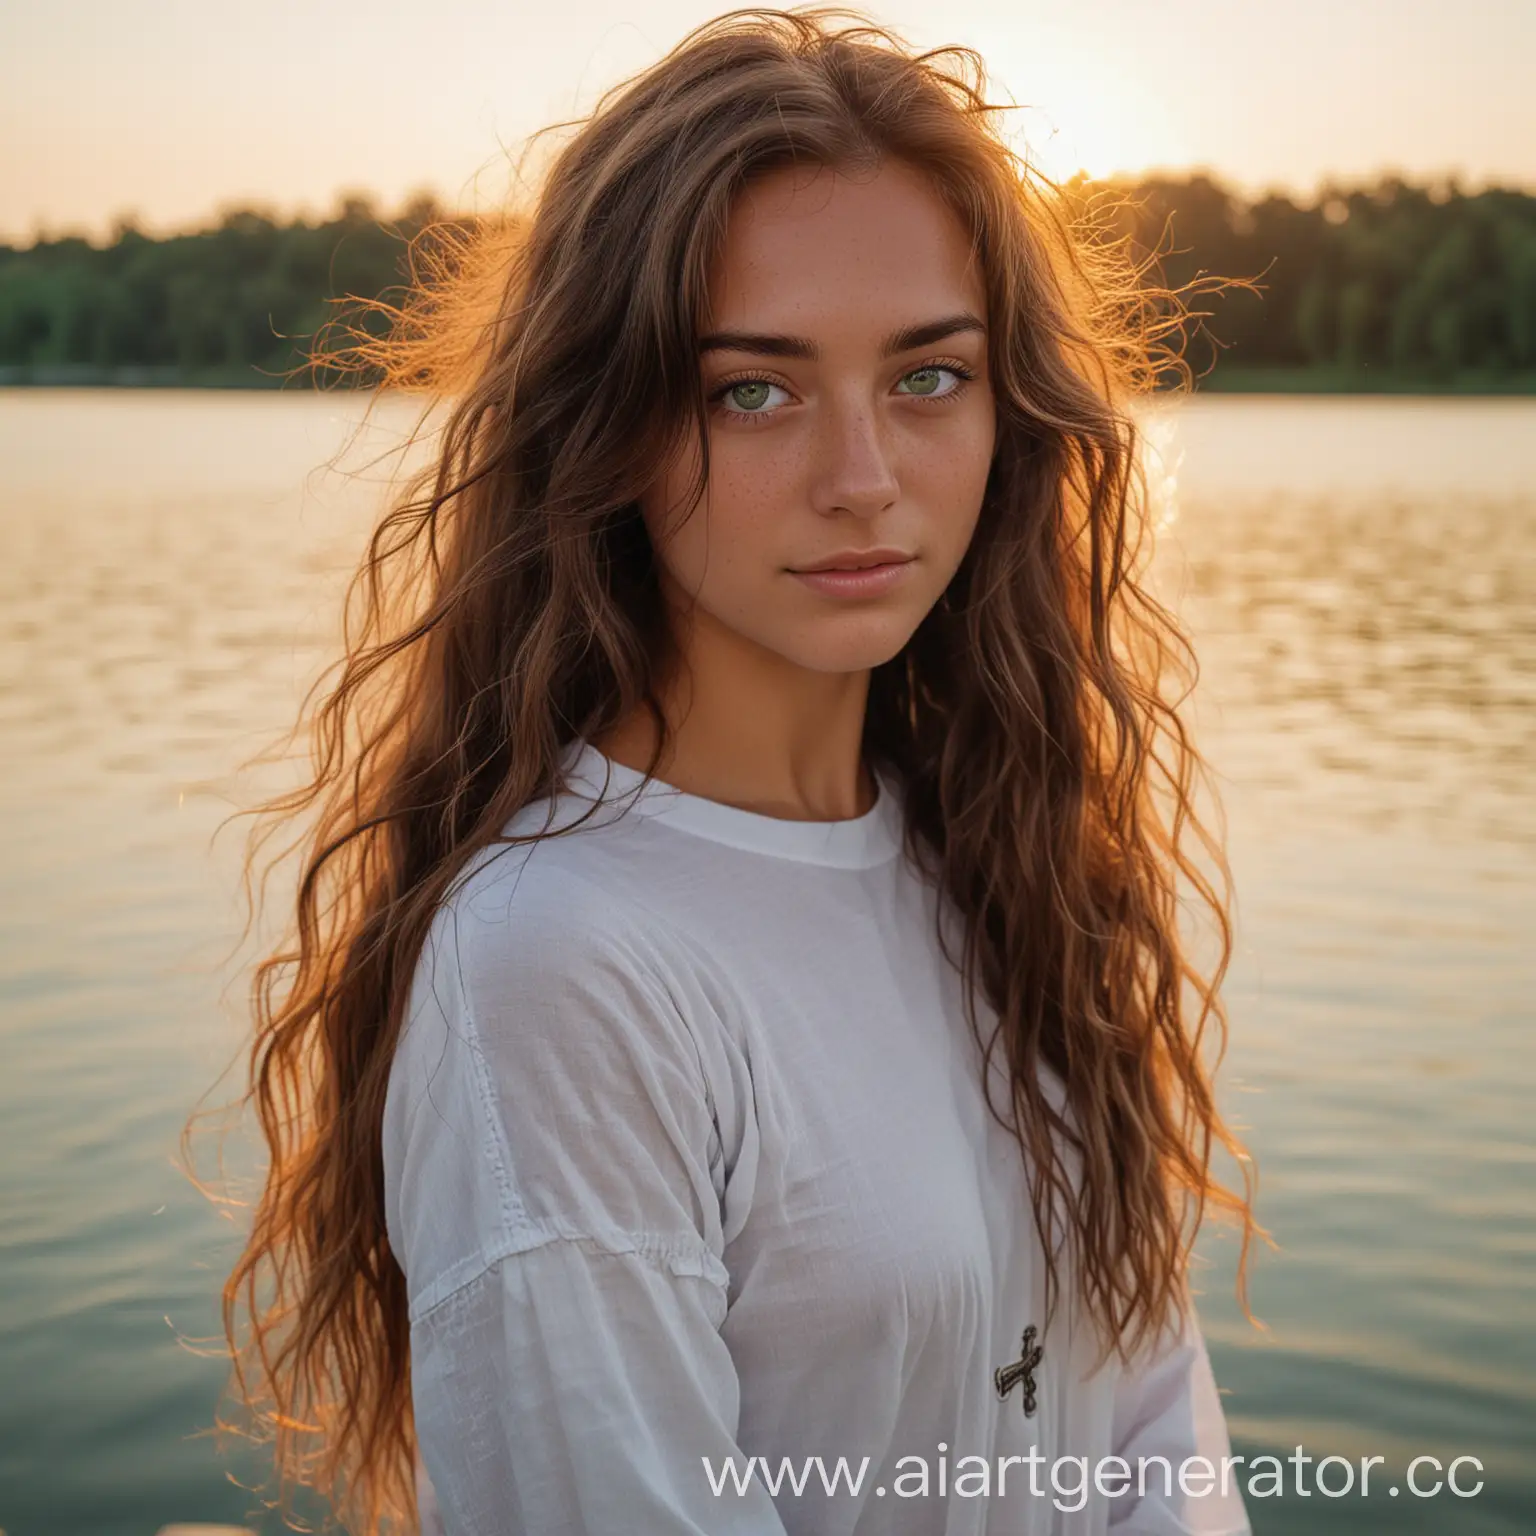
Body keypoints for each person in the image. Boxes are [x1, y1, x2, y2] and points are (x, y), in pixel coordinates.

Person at [209, 9, 1262, 1534]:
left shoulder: (1008, 860)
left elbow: (1152, 1424)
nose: (863, 478)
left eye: (929, 378)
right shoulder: (561, 964)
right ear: (610, 430)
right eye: (752, 391)